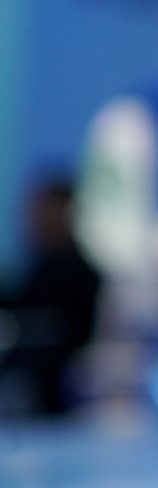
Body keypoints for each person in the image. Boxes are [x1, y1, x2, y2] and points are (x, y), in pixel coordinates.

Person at [0, 178, 102, 416]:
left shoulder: (80, 273)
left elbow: (72, 331)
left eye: (47, 212)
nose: (39, 221)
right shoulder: (40, 266)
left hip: (56, 388)